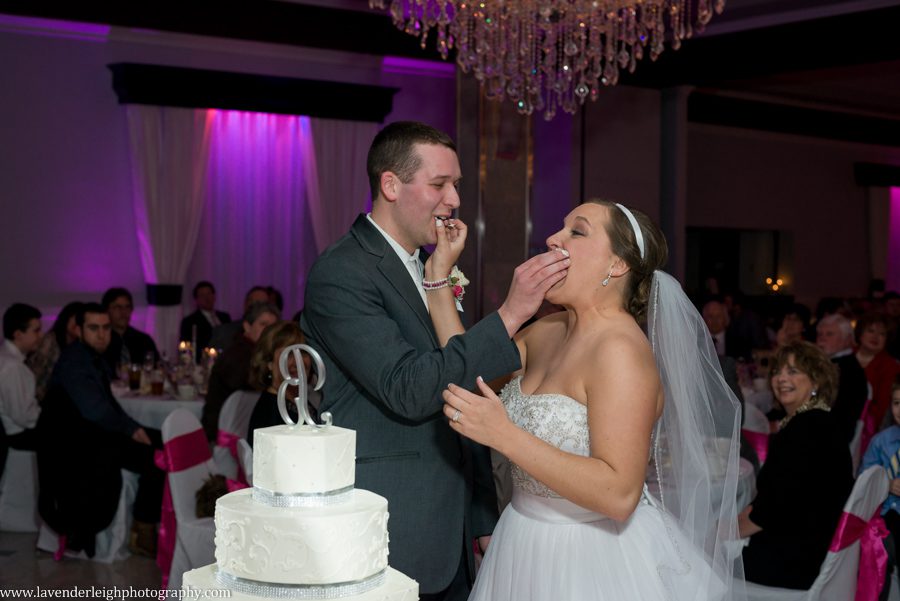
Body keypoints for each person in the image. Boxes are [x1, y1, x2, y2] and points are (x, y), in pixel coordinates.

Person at [301, 121, 570, 600]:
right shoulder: (342, 271)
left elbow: (463, 389)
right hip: (393, 524)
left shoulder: (430, 267)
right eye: (440, 184)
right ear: (390, 185)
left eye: (457, 185)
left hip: (453, 522)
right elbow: (408, 389)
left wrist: (482, 514)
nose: (454, 200)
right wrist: (510, 314)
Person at [433, 200, 744, 600]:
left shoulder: (620, 351)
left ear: (617, 265)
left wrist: (503, 435)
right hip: (521, 537)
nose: (552, 238)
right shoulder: (546, 329)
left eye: (576, 232)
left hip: (588, 555)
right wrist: (438, 276)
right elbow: (462, 370)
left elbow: (619, 495)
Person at [38, 303, 164, 557]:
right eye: (94, 328)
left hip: (94, 433)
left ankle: (149, 524)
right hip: (79, 444)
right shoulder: (76, 361)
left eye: (106, 328)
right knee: (157, 457)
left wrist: (133, 427)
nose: (101, 334)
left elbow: (108, 406)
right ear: (79, 330)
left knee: (161, 439)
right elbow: (95, 410)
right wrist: (131, 429)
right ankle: (143, 530)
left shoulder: (91, 356)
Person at [740, 341, 853, 590]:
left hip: (793, 563)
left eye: (793, 371)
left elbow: (770, 512)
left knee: (698, 559)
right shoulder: (819, 421)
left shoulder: (805, 430)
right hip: (811, 547)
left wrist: (720, 534)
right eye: (778, 371)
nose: (781, 378)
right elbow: (777, 498)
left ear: (816, 382)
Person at [202, 302, 279, 440]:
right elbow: (252, 383)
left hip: (240, 431)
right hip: (223, 439)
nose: (269, 331)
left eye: (273, 326)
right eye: (263, 324)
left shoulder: (257, 352)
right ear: (247, 326)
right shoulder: (237, 354)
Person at [860, 376, 900, 594]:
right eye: (896, 403)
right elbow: (863, 480)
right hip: (885, 515)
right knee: (880, 550)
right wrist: (887, 483)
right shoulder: (881, 441)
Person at [245, 321, 309, 447]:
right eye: (289, 354)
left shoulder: (294, 401)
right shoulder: (270, 415)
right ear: (269, 363)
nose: (298, 361)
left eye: (303, 352)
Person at [816, 313, 869, 443]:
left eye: (829, 334)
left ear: (847, 340)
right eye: (820, 334)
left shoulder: (849, 370)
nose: (822, 339)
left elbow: (837, 416)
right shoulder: (827, 363)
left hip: (829, 439)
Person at [1, 303, 43, 450]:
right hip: (17, 436)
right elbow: (23, 416)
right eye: (36, 331)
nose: (40, 335)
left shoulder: (5, 358)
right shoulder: (13, 367)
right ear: (18, 334)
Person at [27, 301, 83, 402]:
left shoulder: (79, 347)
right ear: (66, 318)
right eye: (75, 318)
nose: (77, 323)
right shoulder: (50, 341)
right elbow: (36, 374)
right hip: (38, 399)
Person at [856, 313, 900, 431]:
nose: (875, 337)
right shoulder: (845, 357)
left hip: (867, 428)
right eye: (871, 331)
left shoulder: (891, 367)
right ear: (860, 333)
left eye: (882, 334)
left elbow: (882, 408)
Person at [100, 287, 159, 374]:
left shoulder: (143, 340)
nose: (124, 312)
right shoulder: (101, 341)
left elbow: (156, 369)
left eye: (127, 307)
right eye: (117, 307)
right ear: (106, 310)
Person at [180, 281, 231, 362]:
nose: (207, 298)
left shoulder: (224, 317)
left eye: (209, 294)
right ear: (196, 300)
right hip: (205, 362)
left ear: (214, 296)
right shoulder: (190, 321)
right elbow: (188, 348)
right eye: (202, 295)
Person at [208, 286, 270, 352]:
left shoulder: (274, 333)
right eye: (255, 304)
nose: (260, 309)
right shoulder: (224, 333)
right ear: (246, 305)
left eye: (264, 304)